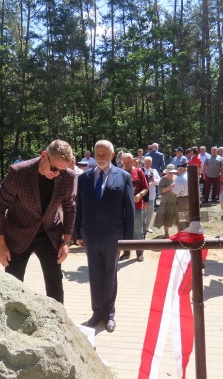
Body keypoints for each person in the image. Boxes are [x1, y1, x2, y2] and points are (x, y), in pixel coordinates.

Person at [0, 140, 76, 304]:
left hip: (50, 234)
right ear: (44, 156)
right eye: (54, 169)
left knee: (55, 283)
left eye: (62, 170)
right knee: (12, 284)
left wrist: (66, 241)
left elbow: (70, 208)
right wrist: (1, 245)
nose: (57, 174)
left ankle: (57, 322)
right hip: (18, 234)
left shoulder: (67, 176)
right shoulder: (19, 173)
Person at [74, 140, 134, 332]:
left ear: (113, 155)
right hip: (90, 235)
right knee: (94, 274)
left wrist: (127, 240)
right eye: (97, 153)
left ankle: (109, 314)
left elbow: (130, 209)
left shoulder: (123, 176)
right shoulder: (84, 178)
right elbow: (79, 207)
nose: (100, 157)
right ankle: (96, 312)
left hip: (113, 236)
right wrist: (77, 232)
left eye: (104, 154)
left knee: (110, 275)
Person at [119, 153, 149, 262]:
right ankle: (126, 252)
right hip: (122, 207)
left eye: (128, 162)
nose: (126, 164)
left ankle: (139, 252)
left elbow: (146, 187)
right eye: (124, 162)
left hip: (137, 206)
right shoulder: (119, 172)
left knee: (138, 230)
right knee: (124, 229)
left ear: (133, 161)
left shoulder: (139, 172)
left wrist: (140, 195)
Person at [153, 164, 178, 238]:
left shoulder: (177, 178)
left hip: (176, 200)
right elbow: (161, 191)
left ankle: (179, 233)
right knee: (166, 217)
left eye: (172, 172)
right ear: (167, 172)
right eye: (170, 172)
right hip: (166, 201)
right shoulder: (163, 179)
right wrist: (170, 188)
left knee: (178, 217)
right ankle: (166, 234)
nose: (171, 174)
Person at [142, 156, 160, 233]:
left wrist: (154, 180)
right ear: (143, 162)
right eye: (146, 162)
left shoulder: (154, 171)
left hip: (152, 195)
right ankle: (142, 227)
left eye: (149, 162)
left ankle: (147, 227)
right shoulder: (140, 170)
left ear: (151, 163)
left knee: (150, 212)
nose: (148, 163)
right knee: (142, 212)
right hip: (143, 195)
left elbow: (159, 181)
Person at [172, 162, 189, 231]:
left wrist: (172, 191)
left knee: (182, 219)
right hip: (192, 199)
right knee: (190, 217)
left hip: (183, 200)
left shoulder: (180, 178)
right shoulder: (192, 176)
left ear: (181, 169)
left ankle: (183, 235)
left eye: (178, 170)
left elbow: (176, 191)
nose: (178, 172)